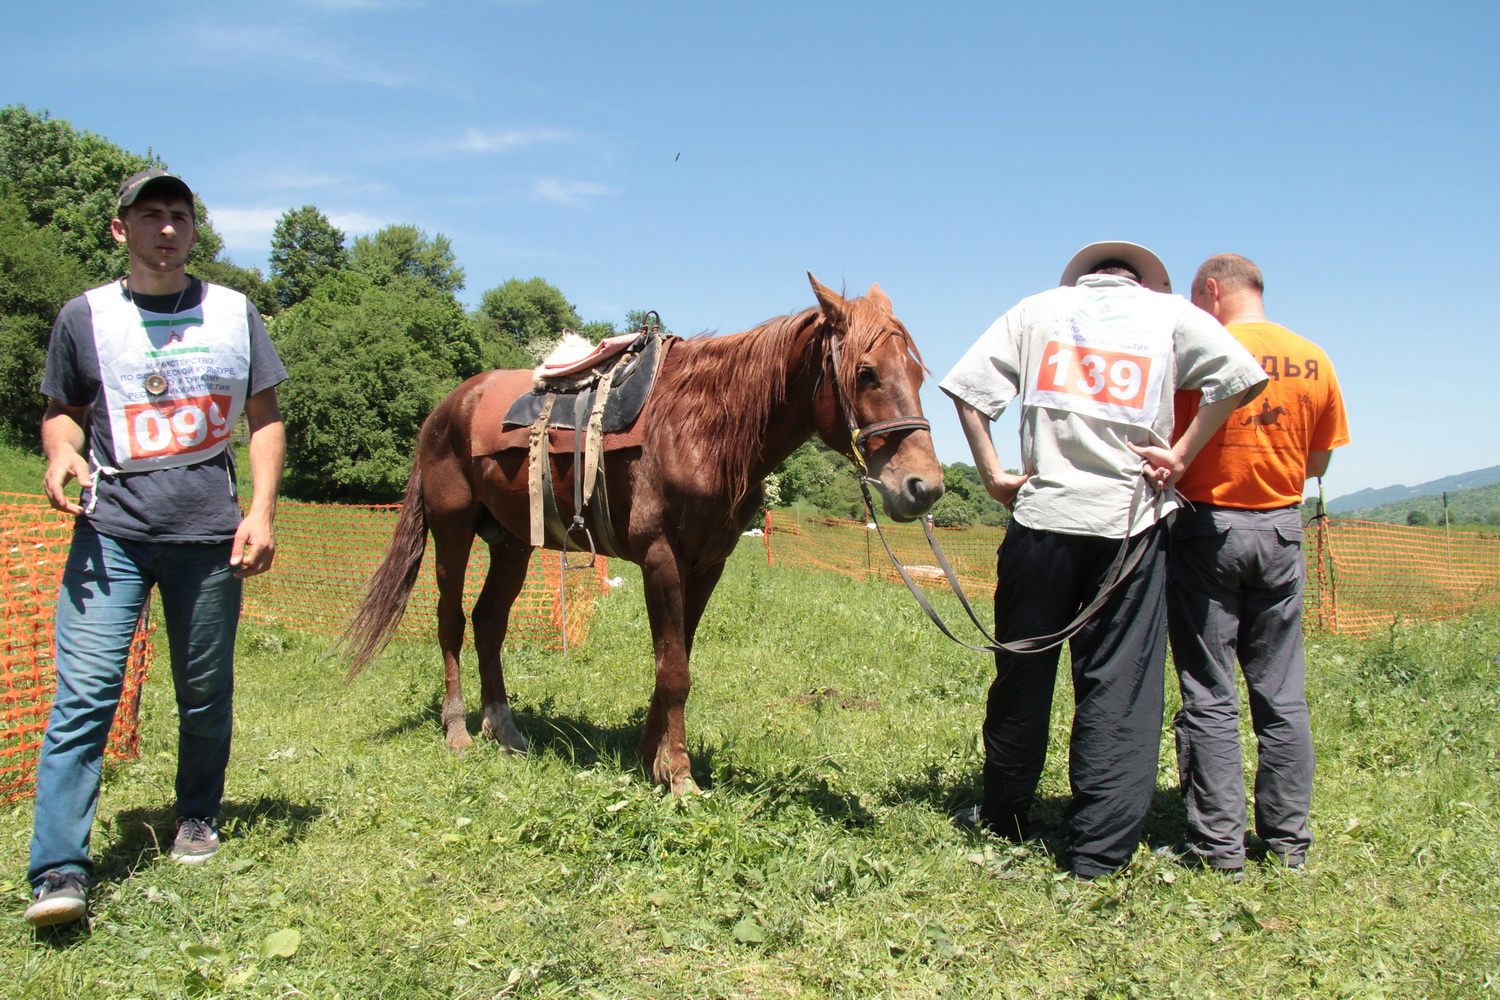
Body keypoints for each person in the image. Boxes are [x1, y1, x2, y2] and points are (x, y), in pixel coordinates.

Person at [940, 241, 1267, 879]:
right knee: (1119, 686)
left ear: (1084, 277)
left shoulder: (1037, 310)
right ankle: (1099, 851)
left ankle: (1006, 814)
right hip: (1128, 527)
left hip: (1041, 521)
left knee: (1022, 675)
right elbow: (1242, 375)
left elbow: (967, 390)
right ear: (1142, 281)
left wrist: (991, 474)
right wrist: (1181, 452)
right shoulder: (1169, 314)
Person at [24, 169, 288, 927]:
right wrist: (61, 454)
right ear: (121, 230)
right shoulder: (86, 317)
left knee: (205, 692)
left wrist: (261, 510)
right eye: (150, 216)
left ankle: (197, 813)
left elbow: (264, 419)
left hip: (210, 537)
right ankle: (59, 871)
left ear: (193, 233)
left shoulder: (236, 314)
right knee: (84, 697)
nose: (166, 229)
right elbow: (63, 412)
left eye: (179, 217)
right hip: (111, 533)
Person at [1164, 253, 1350, 876]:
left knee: (1210, 692)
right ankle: (1288, 844)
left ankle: (1218, 848)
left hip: (1208, 529)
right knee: (1282, 695)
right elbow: (1318, 462)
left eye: (1196, 298)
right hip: (1280, 529)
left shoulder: (1195, 352)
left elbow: (1170, 441)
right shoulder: (1313, 357)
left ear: (1213, 291)